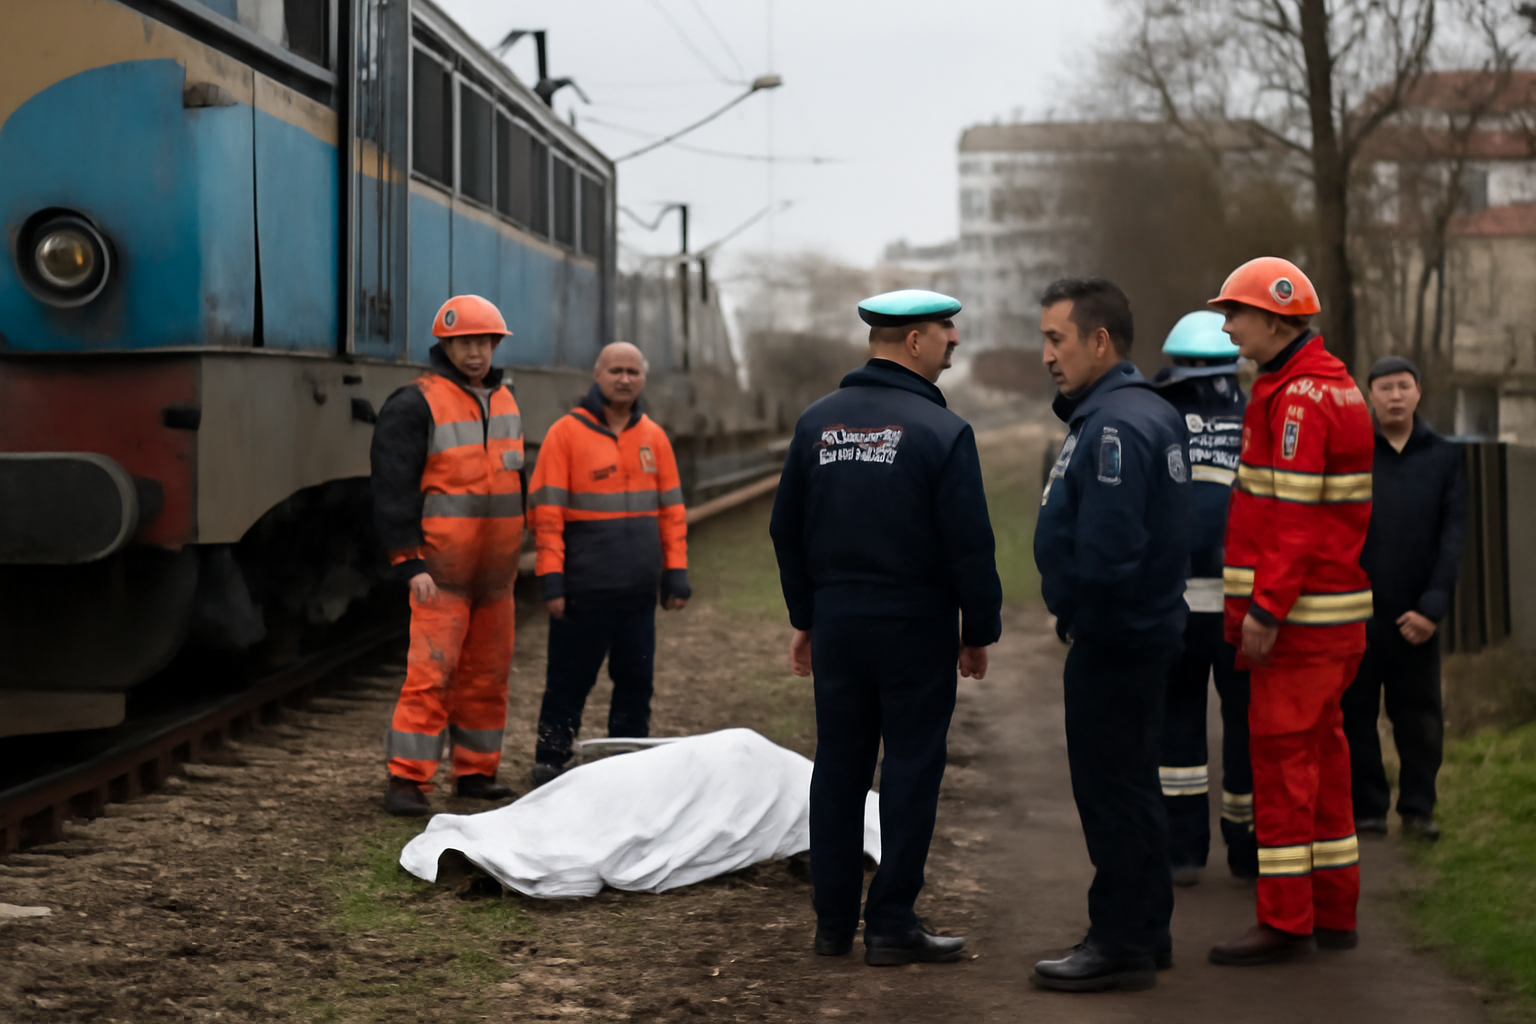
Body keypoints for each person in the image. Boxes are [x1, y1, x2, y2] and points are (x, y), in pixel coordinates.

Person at [768, 289, 1002, 968]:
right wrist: (977, 627)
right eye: (945, 329)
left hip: (840, 623)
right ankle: (892, 922)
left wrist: (806, 616)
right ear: (914, 343)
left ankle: (832, 924)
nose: (955, 339)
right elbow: (969, 545)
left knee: (838, 767)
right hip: (915, 625)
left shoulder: (818, 423)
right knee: (910, 768)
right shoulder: (943, 432)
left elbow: (788, 530)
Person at [1207, 257, 1374, 966]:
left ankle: (1284, 922)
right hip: (1333, 621)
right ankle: (1334, 912)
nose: (1226, 324)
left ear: (1275, 320)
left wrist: (1266, 611)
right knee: (1326, 762)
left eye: (1236, 313)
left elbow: (1295, 521)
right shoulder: (1327, 388)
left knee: (1280, 763)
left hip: (1299, 623)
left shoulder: (1297, 399)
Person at [1031, 277, 1191, 993]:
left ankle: (1119, 941)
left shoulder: (1117, 426)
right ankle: (1145, 931)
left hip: (1116, 639)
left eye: (1055, 339)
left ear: (1100, 341)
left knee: (1112, 793)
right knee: (1134, 786)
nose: (1046, 356)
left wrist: (1080, 619)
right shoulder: (1137, 411)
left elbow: (1110, 549)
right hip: (1140, 633)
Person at [371, 295, 526, 816]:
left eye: (485, 342)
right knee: (431, 676)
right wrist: (408, 562)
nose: (476, 352)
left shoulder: (505, 400)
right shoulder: (414, 403)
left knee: (488, 677)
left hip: (496, 578)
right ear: (447, 345)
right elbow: (393, 488)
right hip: (441, 574)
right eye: (465, 343)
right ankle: (406, 781)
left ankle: (477, 774)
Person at [526, 342, 689, 788]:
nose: (624, 378)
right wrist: (552, 580)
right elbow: (547, 514)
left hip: (637, 593)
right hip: (583, 589)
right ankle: (550, 760)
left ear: (643, 378)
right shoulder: (565, 434)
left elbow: (672, 512)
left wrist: (676, 572)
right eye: (615, 370)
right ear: (597, 375)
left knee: (636, 682)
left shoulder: (654, 438)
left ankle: (627, 763)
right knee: (568, 682)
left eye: (633, 371)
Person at [1150, 311, 1258, 886]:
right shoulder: (1256, 416)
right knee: (1245, 726)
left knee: (1178, 729)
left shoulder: (1158, 419)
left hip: (1177, 607)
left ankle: (1182, 852)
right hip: (1245, 608)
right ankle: (1248, 850)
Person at [1342, 356, 1467, 842]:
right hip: (1358, 612)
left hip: (1418, 614)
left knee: (1419, 719)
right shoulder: (1353, 453)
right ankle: (1367, 808)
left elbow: (1453, 536)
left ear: (1419, 393)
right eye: (1384, 388)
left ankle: (1419, 809)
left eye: (1403, 386)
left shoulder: (1442, 457)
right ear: (1369, 397)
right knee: (1355, 715)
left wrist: (1432, 606)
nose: (1394, 396)